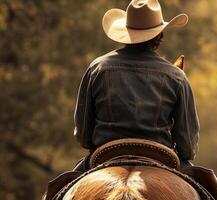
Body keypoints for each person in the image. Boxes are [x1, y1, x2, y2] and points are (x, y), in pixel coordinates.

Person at [73, 0, 198, 171]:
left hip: (105, 155)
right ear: (160, 36)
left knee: (57, 192)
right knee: (216, 194)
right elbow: (187, 146)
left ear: (125, 33)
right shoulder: (177, 77)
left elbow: (84, 136)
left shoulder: (98, 68)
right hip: (161, 156)